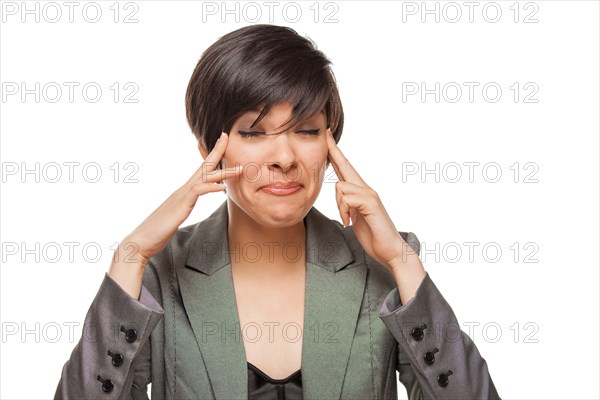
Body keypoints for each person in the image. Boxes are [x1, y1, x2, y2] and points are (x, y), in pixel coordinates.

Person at [54, 24, 500, 399]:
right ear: (211, 147)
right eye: (254, 132)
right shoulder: (156, 274)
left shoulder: (382, 268)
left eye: (307, 130)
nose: (284, 157)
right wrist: (129, 256)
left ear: (330, 145)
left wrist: (403, 263)